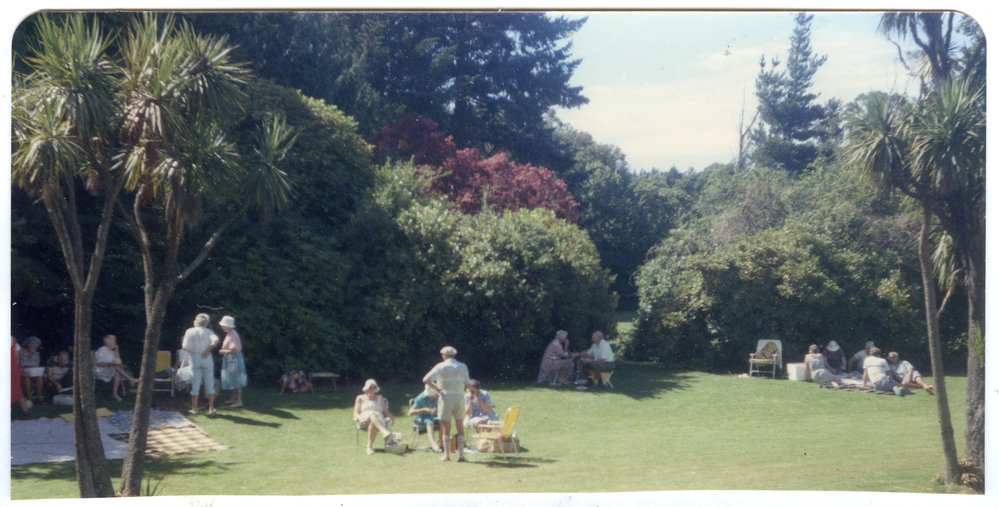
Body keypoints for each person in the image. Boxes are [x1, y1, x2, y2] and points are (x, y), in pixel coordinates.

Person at [423, 345, 471, 462]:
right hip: (459, 396)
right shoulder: (462, 366)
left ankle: (447, 455)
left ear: (444, 355)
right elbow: (467, 384)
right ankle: (461, 455)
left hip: (446, 397)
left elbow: (425, 379)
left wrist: (438, 389)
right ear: (454, 355)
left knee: (445, 426)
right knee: (460, 425)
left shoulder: (440, 366)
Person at [181, 313, 220, 414]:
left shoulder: (189, 331)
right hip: (206, 357)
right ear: (206, 323)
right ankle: (211, 408)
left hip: (195, 357)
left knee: (195, 383)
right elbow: (216, 340)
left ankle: (194, 409)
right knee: (209, 383)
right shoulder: (209, 331)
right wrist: (208, 349)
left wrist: (193, 350)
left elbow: (185, 347)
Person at [354, 379, 397, 455]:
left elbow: (385, 412)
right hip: (364, 420)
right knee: (372, 415)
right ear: (366, 388)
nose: (372, 389)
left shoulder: (380, 397)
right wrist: (360, 418)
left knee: (373, 421)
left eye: (374, 387)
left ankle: (369, 447)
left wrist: (391, 417)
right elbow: (355, 413)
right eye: (370, 387)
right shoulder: (360, 398)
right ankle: (384, 431)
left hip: (379, 420)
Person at [94, 334, 136, 401]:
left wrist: (117, 351)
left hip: (110, 371)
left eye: (115, 341)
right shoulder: (102, 350)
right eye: (113, 341)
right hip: (100, 371)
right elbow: (99, 364)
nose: (115, 343)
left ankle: (115, 394)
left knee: (117, 372)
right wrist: (111, 364)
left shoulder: (112, 352)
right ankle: (130, 379)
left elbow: (119, 362)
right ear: (107, 342)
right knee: (116, 366)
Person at [218, 315, 247, 408]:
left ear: (228, 326)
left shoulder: (233, 335)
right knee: (233, 379)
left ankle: (239, 400)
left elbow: (234, 350)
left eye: (223, 325)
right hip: (231, 359)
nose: (222, 327)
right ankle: (233, 398)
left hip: (234, 359)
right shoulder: (230, 334)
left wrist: (223, 351)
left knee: (236, 379)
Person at [408, 385, 442, 452]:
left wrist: (437, 409)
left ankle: (442, 442)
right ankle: (433, 443)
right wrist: (423, 410)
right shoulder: (420, 398)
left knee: (443, 420)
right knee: (429, 421)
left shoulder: (439, 397)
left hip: (435, 417)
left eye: (434, 394)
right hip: (421, 418)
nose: (433, 396)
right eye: (431, 395)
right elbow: (410, 413)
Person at [17, 336, 45, 402]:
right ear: (28, 345)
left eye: (36, 347)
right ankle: (29, 398)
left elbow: (37, 365)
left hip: (33, 372)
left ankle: (39, 397)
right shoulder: (20, 352)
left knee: (40, 377)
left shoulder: (37, 354)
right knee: (26, 377)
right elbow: (18, 364)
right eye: (33, 346)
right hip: (22, 372)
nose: (35, 348)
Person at [11, 337, 31, 415]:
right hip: (12, 368)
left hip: (10, 368)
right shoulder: (13, 341)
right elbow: (16, 356)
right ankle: (25, 410)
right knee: (16, 388)